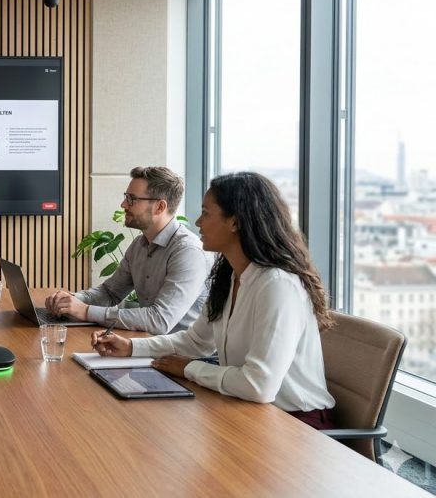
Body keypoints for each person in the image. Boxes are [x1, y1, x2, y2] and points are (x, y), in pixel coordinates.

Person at [92, 172, 336, 429]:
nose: (198, 222)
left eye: (206, 213)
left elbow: (258, 386)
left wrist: (189, 369)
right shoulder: (231, 275)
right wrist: (130, 347)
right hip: (247, 410)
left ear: (235, 223)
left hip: (297, 425)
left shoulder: (277, 285)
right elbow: (195, 341)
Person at [45, 166, 212, 335]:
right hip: (150, 345)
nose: (123, 204)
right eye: (126, 197)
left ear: (160, 207)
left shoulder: (188, 252)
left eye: (132, 199)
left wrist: (86, 311)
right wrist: (71, 300)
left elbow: (160, 320)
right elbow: (110, 293)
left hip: (183, 358)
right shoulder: (139, 244)